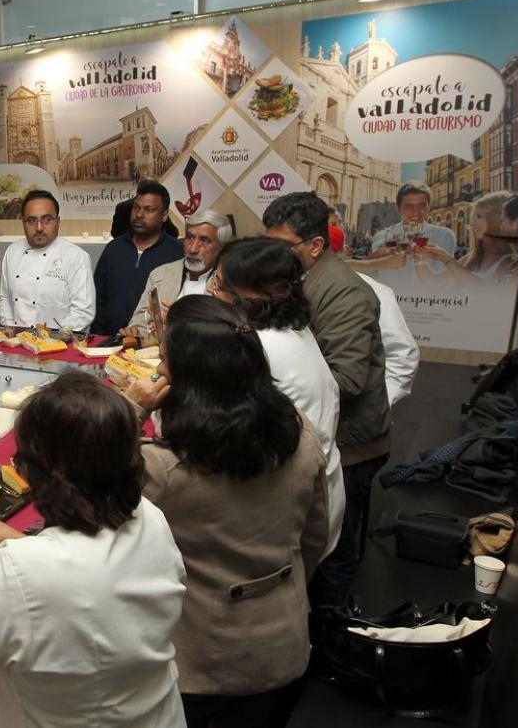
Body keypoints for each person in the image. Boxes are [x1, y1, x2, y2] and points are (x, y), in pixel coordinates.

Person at [0, 371, 188, 728]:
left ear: (41, 475)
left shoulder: (24, 571)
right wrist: (24, 543)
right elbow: (91, 583)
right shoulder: (150, 517)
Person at [122, 295, 327, 728]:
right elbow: (315, 537)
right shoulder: (300, 433)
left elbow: (81, 472)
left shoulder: (162, 469)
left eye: (164, 361)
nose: (159, 371)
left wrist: (130, 410)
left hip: (201, 662)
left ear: (190, 381)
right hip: (284, 648)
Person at [264, 192, 390, 608]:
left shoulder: (344, 294)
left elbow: (347, 380)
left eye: (282, 248)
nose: (273, 257)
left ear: (316, 246)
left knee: (336, 550)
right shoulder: (302, 282)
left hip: (350, 445)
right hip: (319, 435)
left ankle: (331, 632)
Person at [208, 238, 343, 559]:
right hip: (311, 487)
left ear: (254, 295)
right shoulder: (289, 328)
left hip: (289, 502)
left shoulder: (259, 347)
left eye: (220, 285)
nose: (212, 293)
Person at [329, 226, 420, 407]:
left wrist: (378, 403)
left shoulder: (374, 291)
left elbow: (403, 355)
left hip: (353, 414)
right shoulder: (289, 289)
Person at [91, 180, 184, 335]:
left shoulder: (177, 252)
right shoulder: (114, 248)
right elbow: (98, 297)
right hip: (109, 340)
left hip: (152, 344)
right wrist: (98, 337)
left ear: (164, 215)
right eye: (136, 208)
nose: (139, 215)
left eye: (148, 210)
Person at [122, 209, 233, 335]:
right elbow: (139, 323)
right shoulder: (160, 274)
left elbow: (228, 332)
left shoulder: (228, 283)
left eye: (204, 240)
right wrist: (136, 332)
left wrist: (177, 320)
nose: (193, 248)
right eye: (190, 237)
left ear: (221, 247)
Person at [0, 190, 95, 331]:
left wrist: (53, 338)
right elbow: (4, 298)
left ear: (58, 222)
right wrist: (10, 329)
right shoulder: (13, 252)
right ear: (23, 222)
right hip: (17, 341)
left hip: (60, 344)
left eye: (47, 219)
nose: (39, 228)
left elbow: (83, 312)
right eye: (31, 220)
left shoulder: (76, 256)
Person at [368, 182, 457, 267]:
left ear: (428, 207)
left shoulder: (444, 236)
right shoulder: (382, 236)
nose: (416, 212)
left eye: (421, 206)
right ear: (398, 208)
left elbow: (443, 278)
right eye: (409, 207)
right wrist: (375, 259)